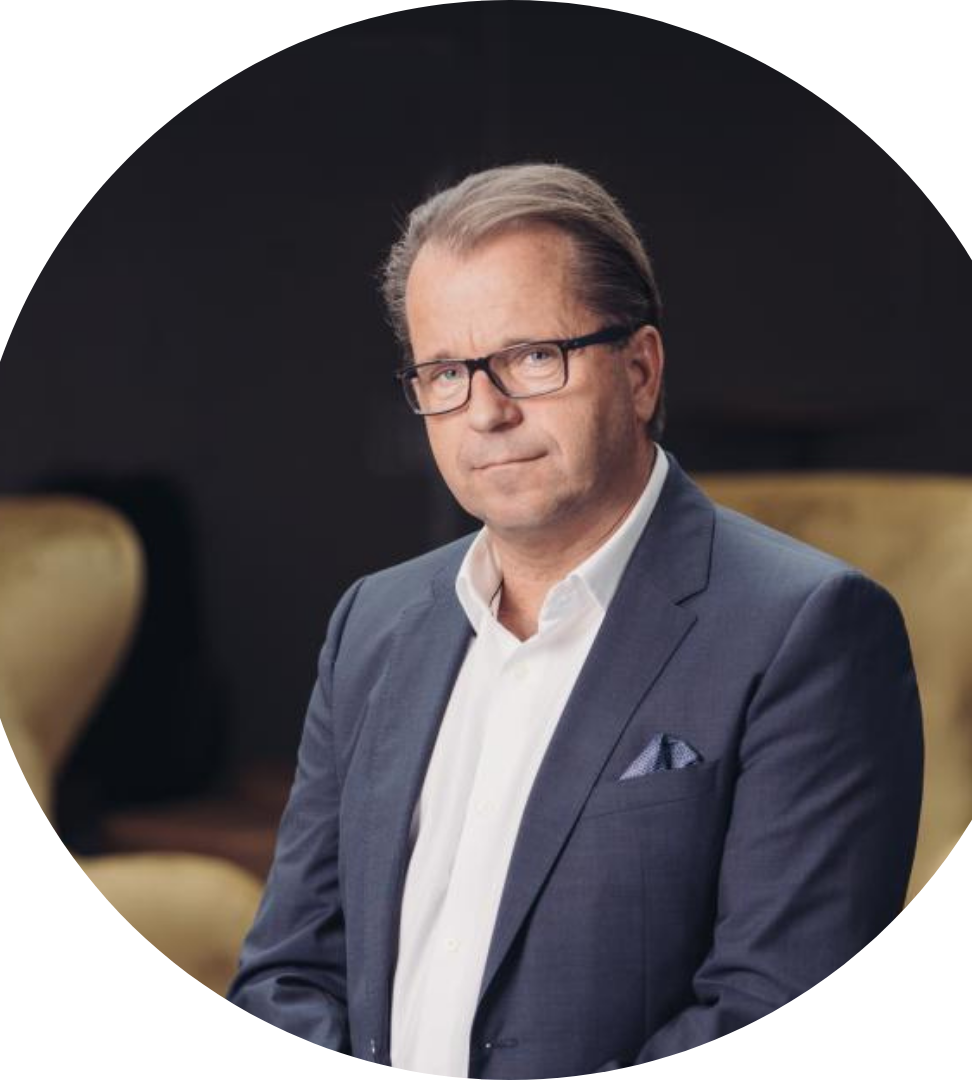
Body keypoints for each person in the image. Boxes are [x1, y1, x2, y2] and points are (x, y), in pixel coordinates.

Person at [226, 162, 924, 1079]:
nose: (487, 411)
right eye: (445, 372)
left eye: (530, 357)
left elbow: (780, 1025)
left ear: (639, 370)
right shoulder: (374, 623)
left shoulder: (812, 631)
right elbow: (285, 976)